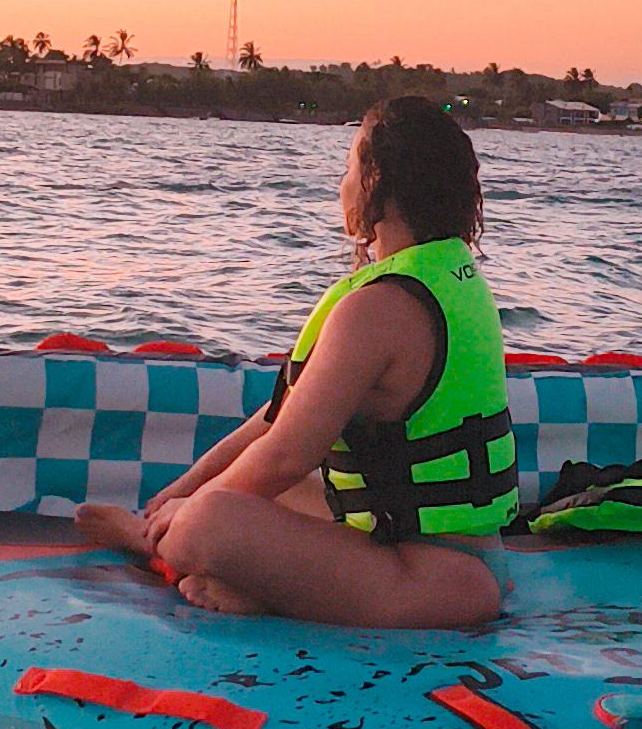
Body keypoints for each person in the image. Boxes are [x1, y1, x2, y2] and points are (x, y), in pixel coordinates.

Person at [79, 96, 516, 626]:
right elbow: (274, 422)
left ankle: (154, 543)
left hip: (429, 582)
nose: (342, 184)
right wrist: (179, 491)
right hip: (441, 557)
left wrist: (187, 513)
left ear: (377, 181)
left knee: (210, 525)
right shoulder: (447, 280)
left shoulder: (379, 308)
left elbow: (285, 455)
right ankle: (240, 572)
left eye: (350, 166)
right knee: (250, 496)